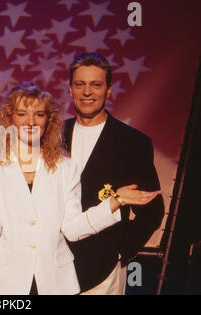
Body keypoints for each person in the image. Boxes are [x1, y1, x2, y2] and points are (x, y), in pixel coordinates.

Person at [0, 83, 161, 295]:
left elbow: (73, 229)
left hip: (54, 281)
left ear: (49, 120)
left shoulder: (66, 167)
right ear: (10, 120)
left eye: (39, 115)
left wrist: (115, 201)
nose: (30, 122)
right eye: (22, 114)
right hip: (2, 283)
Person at [63, 52, 165, 294]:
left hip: (104, 273)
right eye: (80, 84)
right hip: (54, 266)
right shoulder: (51, 136)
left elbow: (152, 211)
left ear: (108, 90)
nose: (87, 92)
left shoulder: (133, 143)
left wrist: (120, 251)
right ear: (70, 90)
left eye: (96, 85)